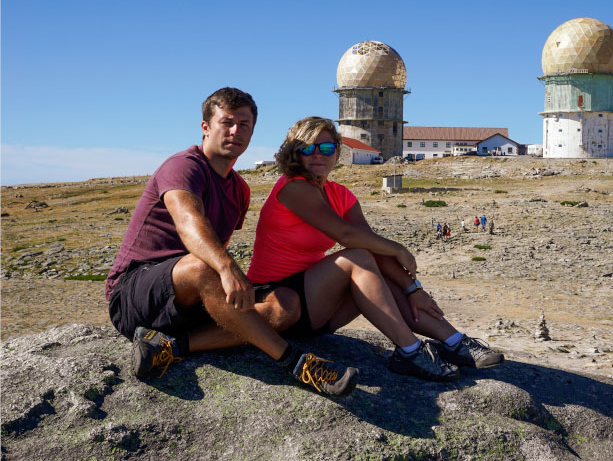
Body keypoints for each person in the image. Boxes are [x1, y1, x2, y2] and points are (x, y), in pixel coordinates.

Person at [104, 88, 357, 397]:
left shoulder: (239, 189)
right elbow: (189, 223)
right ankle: (297, 363)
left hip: (189, 303)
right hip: (136, 294)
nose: (236, 131)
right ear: (206, 127)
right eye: (227, 122)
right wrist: (226, 268)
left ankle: (170, 346)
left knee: (285, 306)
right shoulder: (183, 166)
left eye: (244, 124)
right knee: (200, 266)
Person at [247, 117, 503, 382]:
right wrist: (399, 248)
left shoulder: (340, 195)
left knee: (376, 270)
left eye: (326, 149)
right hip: (278, 301)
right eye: (308, 149)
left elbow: (369, 243)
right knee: (357, 258)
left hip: (316, 307)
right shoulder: (293, 187)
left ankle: (453, 341)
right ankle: (411, 351)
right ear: (295, 153)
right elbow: (345, 235)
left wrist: (413, 289)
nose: (317, 156)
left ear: (337, 151)